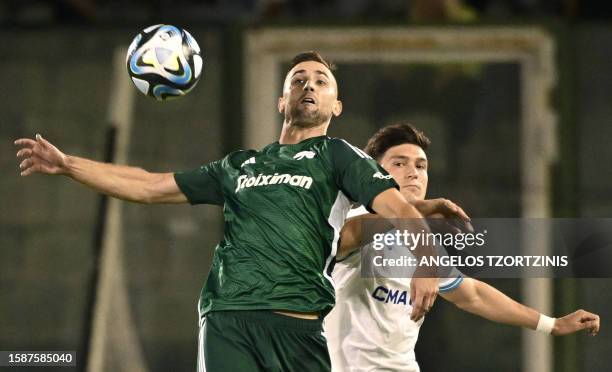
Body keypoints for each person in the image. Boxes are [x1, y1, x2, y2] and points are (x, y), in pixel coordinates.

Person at [14, 52, 468, 372]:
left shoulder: (341, 158)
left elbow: (399, 211)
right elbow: (150, 186)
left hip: (299, 328)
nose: (308, 84)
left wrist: (426, 264)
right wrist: (69, 165)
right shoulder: (238, 166)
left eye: (320, 81)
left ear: (336, 106)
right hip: (229, 318)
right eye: (297, 79)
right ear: (281, 101)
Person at [325, 123, 601, 372]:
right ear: (373, 173)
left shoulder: (423, 241)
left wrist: (551, 324)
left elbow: (472, 295)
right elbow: (349, 236)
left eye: (421, 166)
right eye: (400, 163)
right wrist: (422, 207)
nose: (413, 173)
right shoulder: (348, 217)